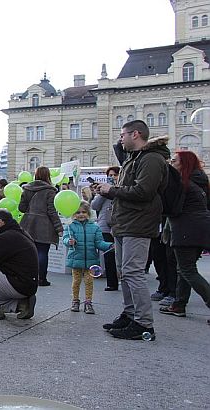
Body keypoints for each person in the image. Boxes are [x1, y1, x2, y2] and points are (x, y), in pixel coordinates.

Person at [94, 120, 169, 341]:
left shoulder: (152, 159)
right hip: (124, 222)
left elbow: (144, 191)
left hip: (138, 223)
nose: (120, 139)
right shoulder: (133, 159)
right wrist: (108, 191)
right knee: (124, 272)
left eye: (122, 135)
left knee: (134, 273)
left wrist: (113, 189)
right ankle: (130, 314)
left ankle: (144, 323)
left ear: (135, 134)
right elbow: (128, 190)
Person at [159, 151, 210, 319]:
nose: (172, 163)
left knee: (187, 270)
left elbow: (172, 208)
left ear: (184, 164)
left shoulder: (184, 184)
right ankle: (179, 305)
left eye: (174, 161)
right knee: (184, 269)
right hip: (198, 229)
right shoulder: (199, 182)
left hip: (187, 230)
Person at [63, 201, 113, 314]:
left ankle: (88, 302)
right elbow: (65, 239)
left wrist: (109, 245)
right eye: (78, 212)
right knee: (76, 281)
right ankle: (75, 301)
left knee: (89, 281)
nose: (81, 214)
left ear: (89, 213)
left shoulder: (95, 227)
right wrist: (69, 241)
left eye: (84, 212)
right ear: (73, 214)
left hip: (91, 260)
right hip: (75, 259)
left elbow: (99, 243)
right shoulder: (70, 227)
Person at [18, 166, 63, 286]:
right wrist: (59, 228)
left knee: (29, 252)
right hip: (44, 225)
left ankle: (29, 277)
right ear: (48, 175)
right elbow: (51, 211)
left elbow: (21, 208)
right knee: (42, 252)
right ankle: (41, 279)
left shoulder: (27, 189)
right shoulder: (50, 191)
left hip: (27, 224)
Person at [91, 166, 120, 291]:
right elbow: (94, 206)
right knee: (108, 254)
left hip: (119, 225)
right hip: (105, 226)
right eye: (110, 175)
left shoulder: (122, 188)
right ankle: (111, 282)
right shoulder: (104, 190)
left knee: (121, 254)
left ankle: (123, 278)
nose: (112, 177)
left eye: (115, 175)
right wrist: (103, 193)